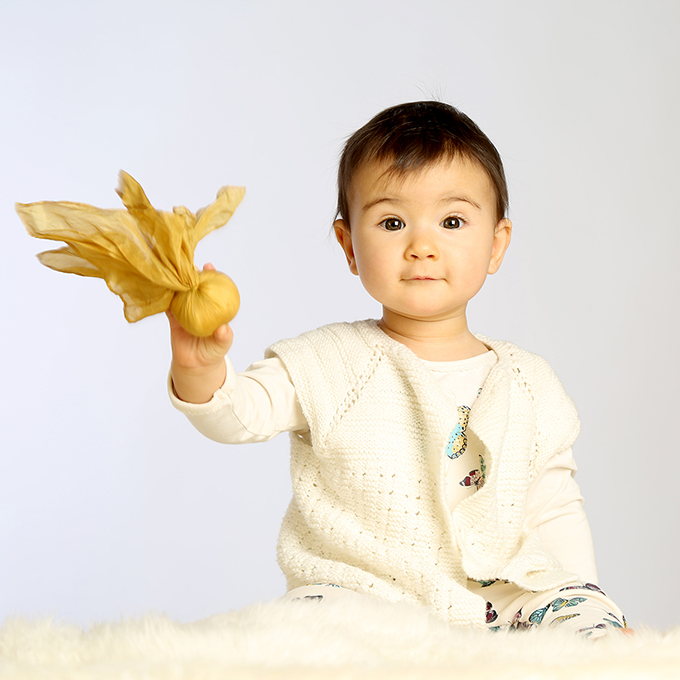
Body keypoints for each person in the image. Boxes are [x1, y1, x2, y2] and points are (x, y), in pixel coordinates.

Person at [167, 101, 627, 637]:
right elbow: (237, 414)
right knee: (307, 617)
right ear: (349, 246)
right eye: (391, 222)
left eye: (452, 221)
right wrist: (201, 368)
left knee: (581, 611)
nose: (422, 247)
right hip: (364, 597)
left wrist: (585, 604)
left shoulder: (530, 383)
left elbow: (552, 506)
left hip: (504, 606)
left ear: (496, 244)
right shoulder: (330, 362)